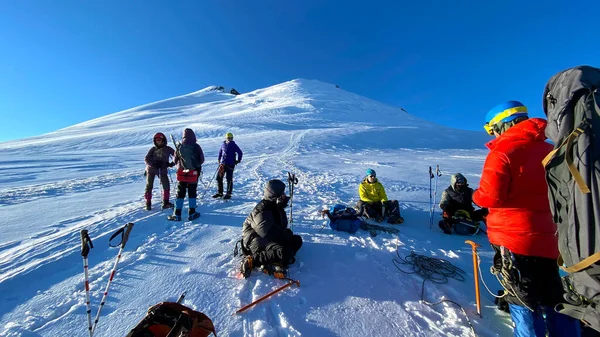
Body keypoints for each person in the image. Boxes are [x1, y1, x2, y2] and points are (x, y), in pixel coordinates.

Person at [473, 100, 580, 337]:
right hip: (552, 238)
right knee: (554, 296)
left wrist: (475, 195)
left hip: (513, 239)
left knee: (522, 299)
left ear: (500, 125)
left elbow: (490, 197)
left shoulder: (502, 152)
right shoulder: (551, 150)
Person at [239, 179, 303, 279]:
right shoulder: (261, 211)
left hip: (268, 238)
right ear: (274, 195)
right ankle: (253, 260)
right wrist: (285, 236)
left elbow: (280, 227)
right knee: (283, 252)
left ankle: (274, 260)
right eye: (282, 193)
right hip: (256, 241)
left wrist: (287, 235)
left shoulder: (276, 206)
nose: (284, 195)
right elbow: (269, 233)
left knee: (297, 240)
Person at [168, 128, 205, 221]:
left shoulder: (179, 147)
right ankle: (192, 212)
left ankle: (177, 214)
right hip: (193, 173)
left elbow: (175, 160)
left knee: (180, 193)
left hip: (182, 174)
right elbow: (202, 160)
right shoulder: (196, 146)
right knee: (192, 192)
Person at [144, 132, 175, 211]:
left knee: (166, 185)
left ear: (163, 140)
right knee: (149, 186)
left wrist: (172, 163)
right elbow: (146, 159)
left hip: (162, 170)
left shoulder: (168, 149)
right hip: (151, 170)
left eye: (160, 140)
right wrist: (153, 164)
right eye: (156, 140)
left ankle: (166, 202)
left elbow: (176, 155)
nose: (158, 141)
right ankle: (148, 203)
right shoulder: (153, 149)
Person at [213, 132, 243, 200]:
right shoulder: (223, 144)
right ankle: (220, 193)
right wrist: (219, 159)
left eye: (231, 138)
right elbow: (220, 152)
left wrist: (238, 160)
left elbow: (240, 152)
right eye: (228, 138)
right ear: (226, 138)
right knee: (219, 178)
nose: (229, 139)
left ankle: (228, 193)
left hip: (230, 164)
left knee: (229, 179)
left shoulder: (234, 145)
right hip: (222, 164)